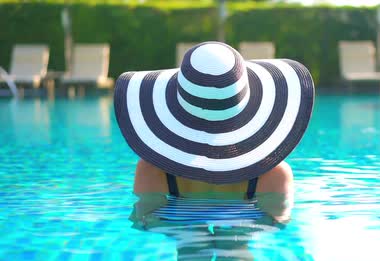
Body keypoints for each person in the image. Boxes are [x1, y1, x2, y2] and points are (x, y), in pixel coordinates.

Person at [113, 41, 315, 223]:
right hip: (249, 215)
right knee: (238, 254)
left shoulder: (152, 171)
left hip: (175, 215)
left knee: (189, 253)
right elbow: (277, 223)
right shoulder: (274, 175)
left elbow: (143, 220)